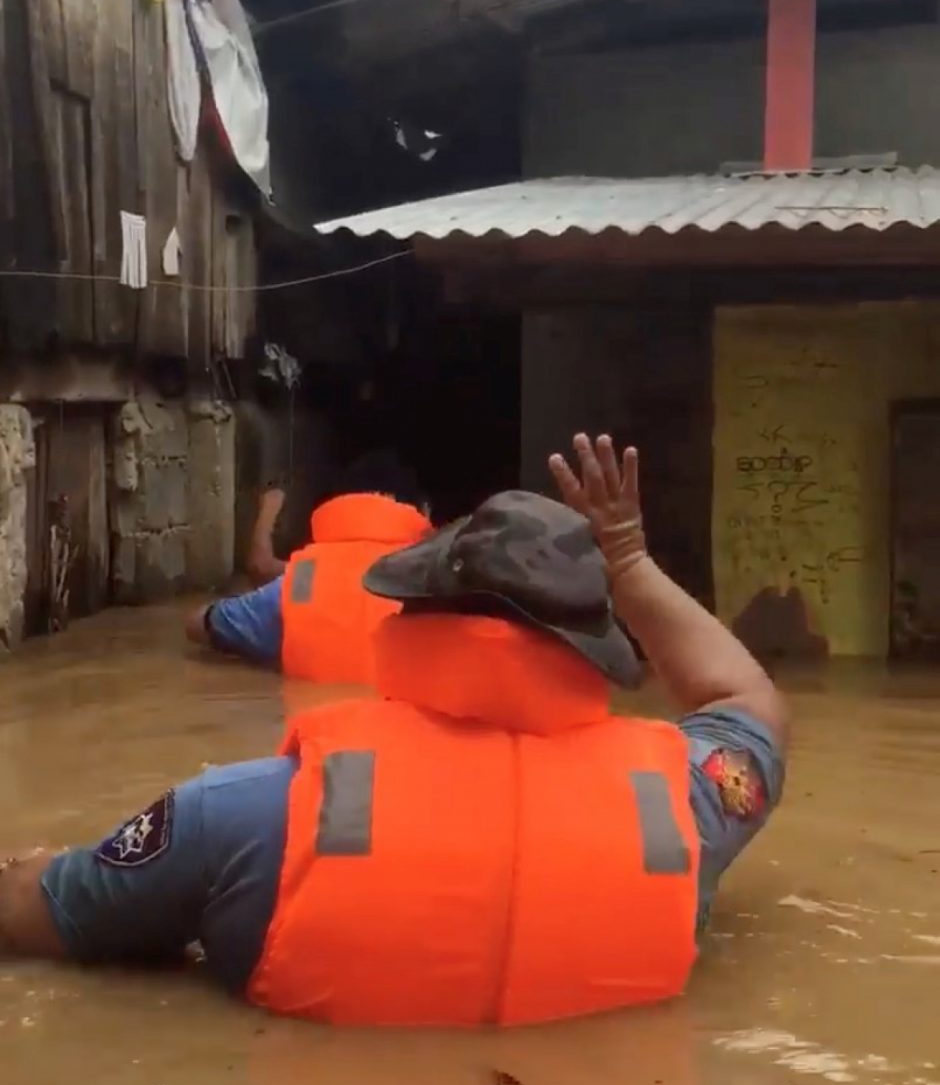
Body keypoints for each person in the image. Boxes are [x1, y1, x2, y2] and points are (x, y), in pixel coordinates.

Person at [0, 436, 787, 1025]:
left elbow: (42, 912)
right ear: (601, 650)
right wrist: (627, 556)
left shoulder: (246, 813)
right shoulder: (683, 809)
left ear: (407, 617)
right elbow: (749, 697)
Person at [186, 460, 432, 684]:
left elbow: (199, 624)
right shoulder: (441, 582)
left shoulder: (301, 580)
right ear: (424, 510)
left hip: (316, 730)